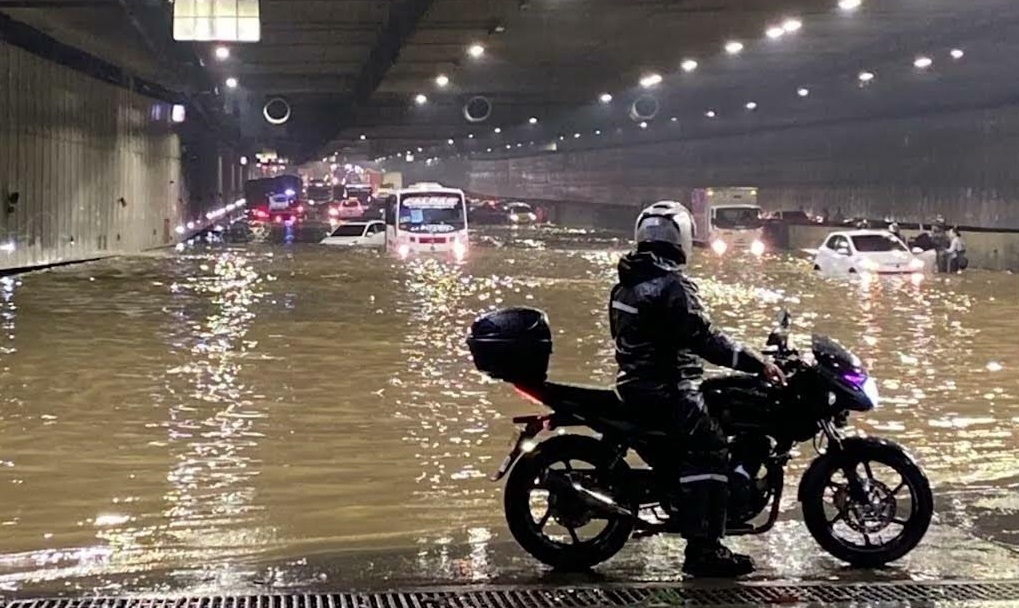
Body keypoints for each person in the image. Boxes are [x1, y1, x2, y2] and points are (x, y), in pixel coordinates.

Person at [608, 202, 786, 578]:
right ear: (681, 238)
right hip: (667, 387)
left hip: (637, 384)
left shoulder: (628, 280)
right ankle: (704, 549)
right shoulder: (671, 285)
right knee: (711, 447)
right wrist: (756, 363)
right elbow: (704, 338)